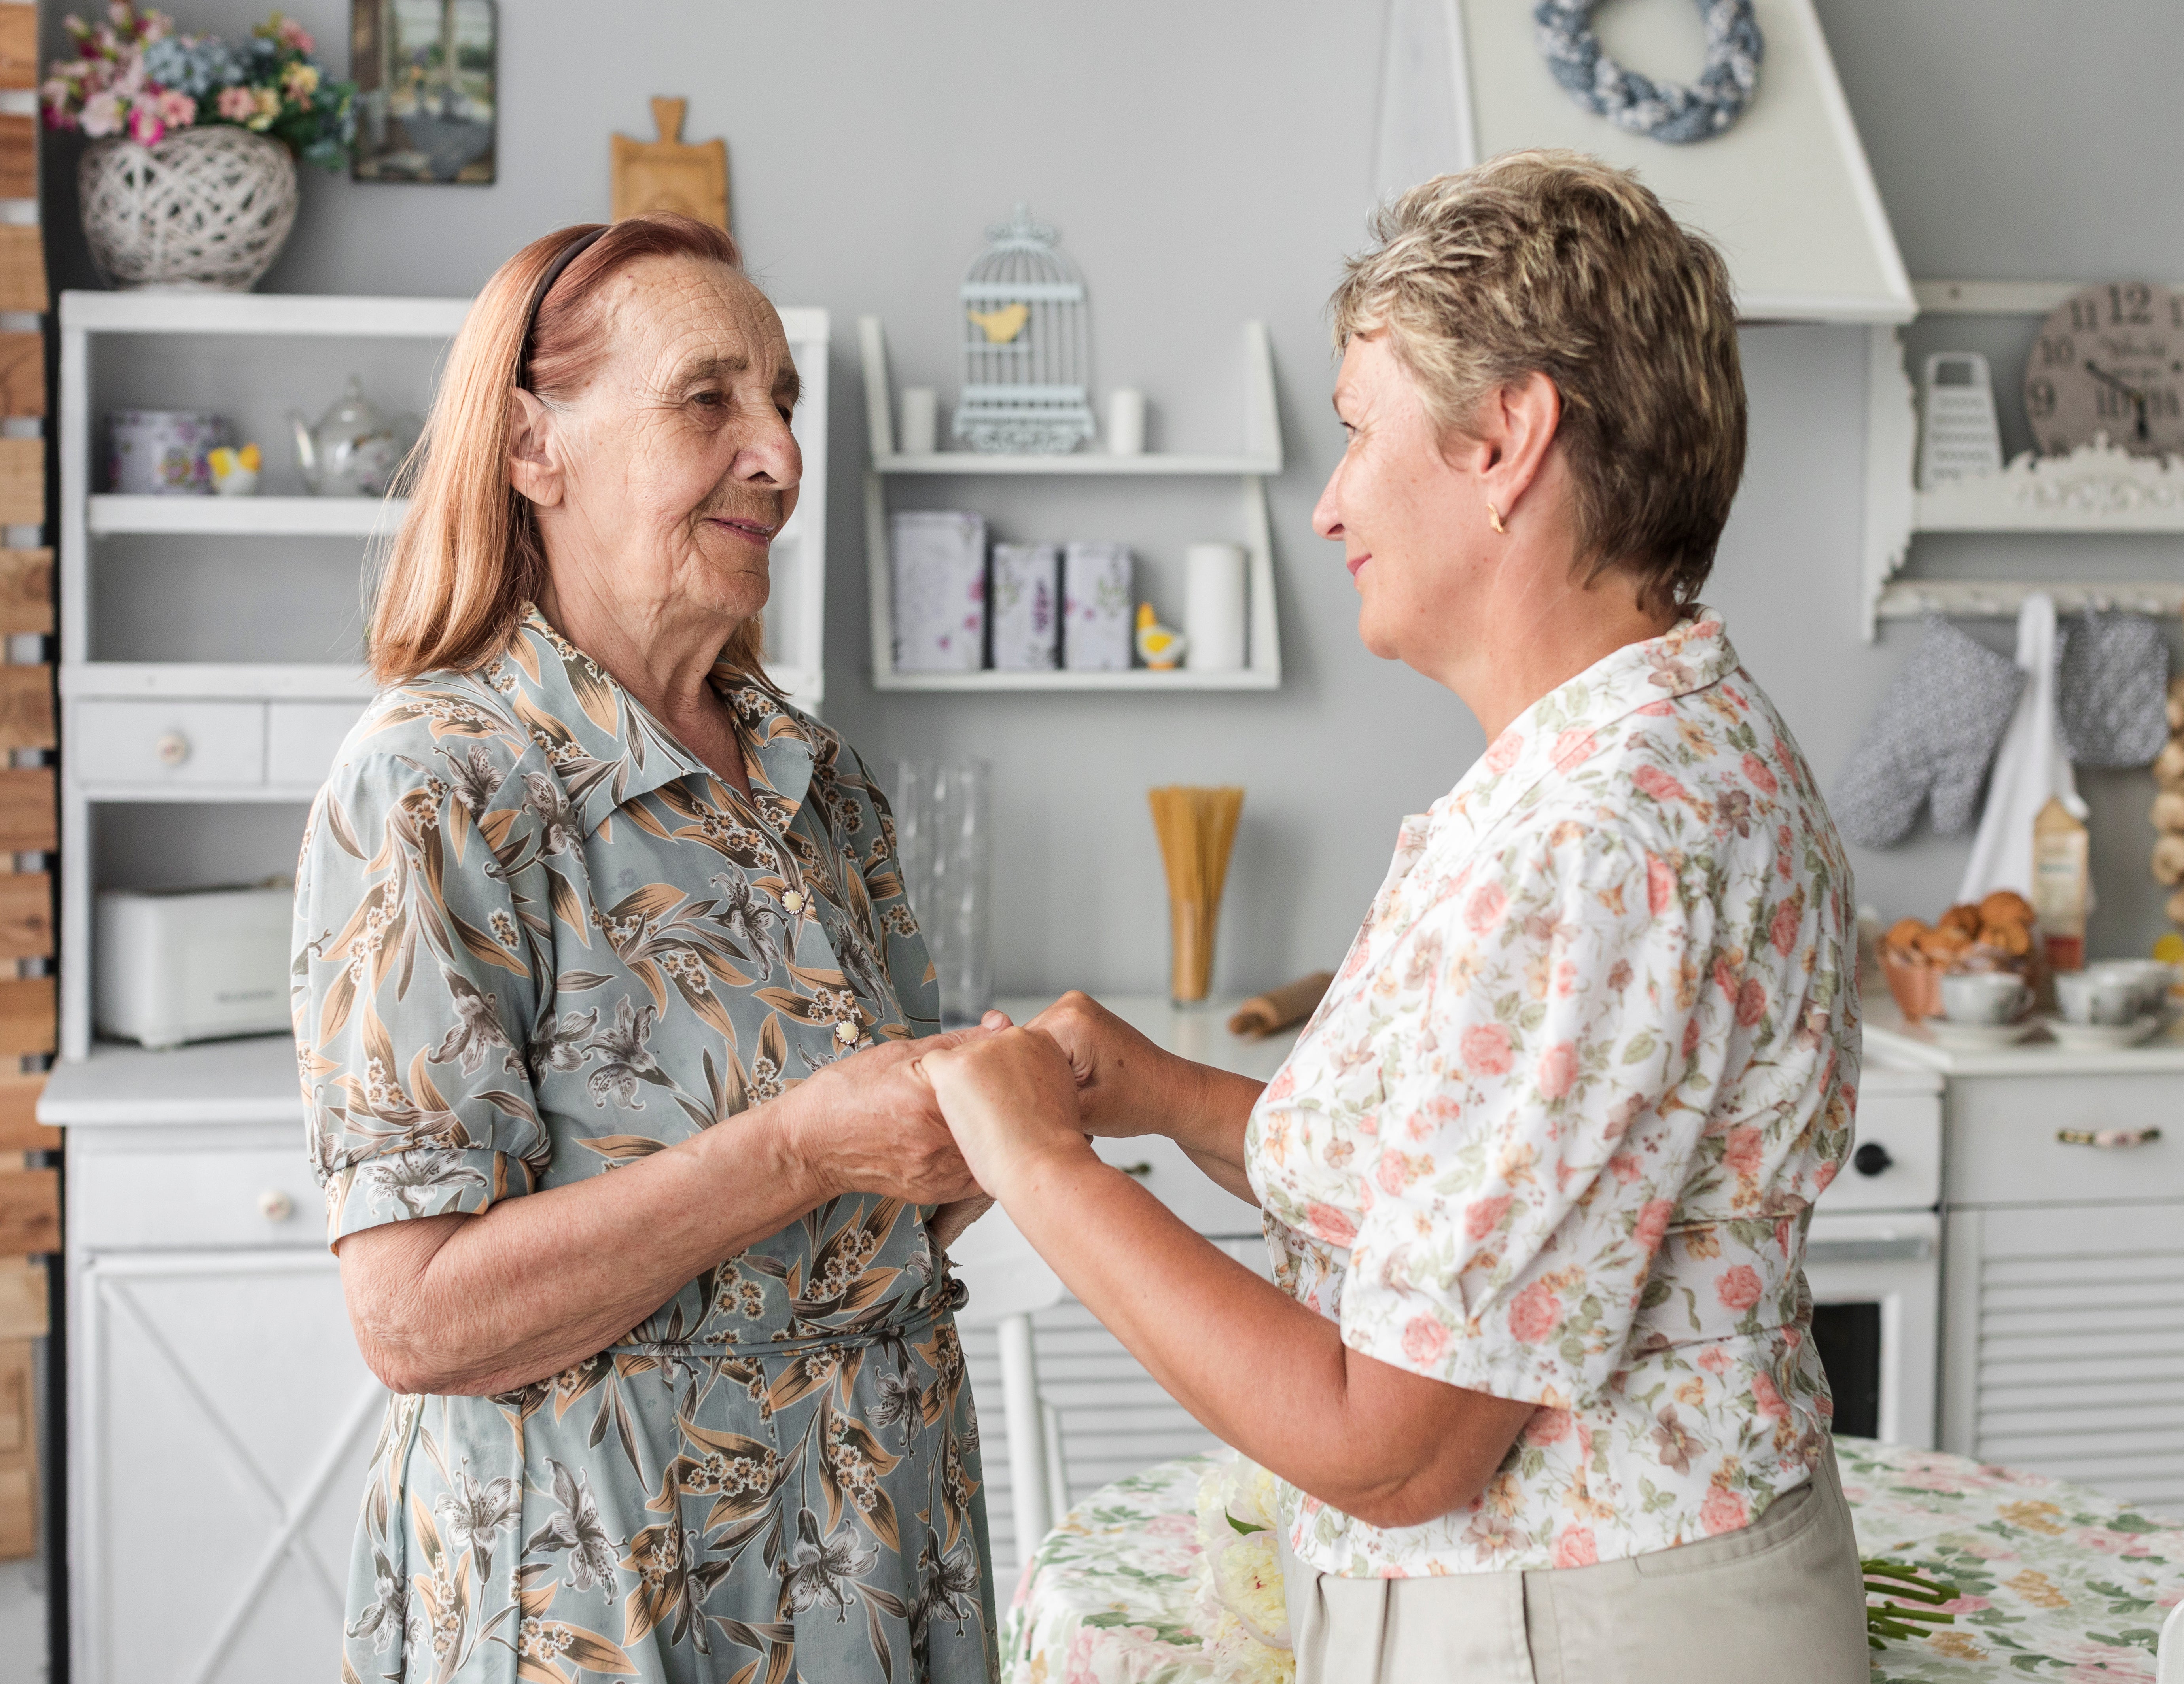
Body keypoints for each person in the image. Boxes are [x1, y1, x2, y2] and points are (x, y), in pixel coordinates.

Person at [921, 152, 1869, 1684]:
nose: (1327, 503)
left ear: (1504, 439)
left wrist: (1034, 1166)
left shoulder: (1593, 843)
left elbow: (1395, 1447)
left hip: (1589, 1632)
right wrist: (1159, 1099)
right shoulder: (1635, 757)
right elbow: (1454, 1194)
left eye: (1357, 435)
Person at [294, 214, 999, 1684]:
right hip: (602, 1587)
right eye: (709, 400)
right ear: (533, 447)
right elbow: (418, 1316)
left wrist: (989, 1119)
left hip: (879, 1551)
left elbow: (882, 1206)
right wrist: (800, 1147)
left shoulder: (819, 776)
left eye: (786, 402)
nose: (782, 458)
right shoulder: (440, 782)